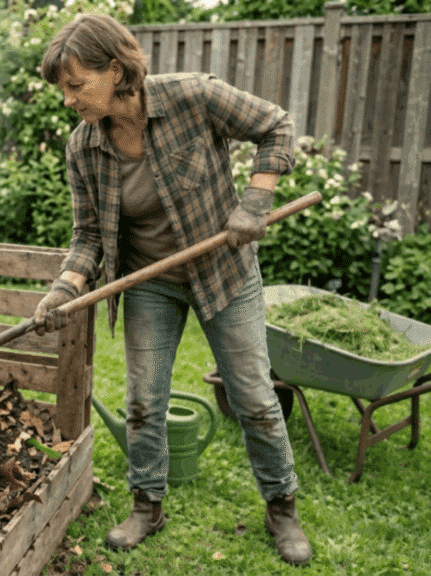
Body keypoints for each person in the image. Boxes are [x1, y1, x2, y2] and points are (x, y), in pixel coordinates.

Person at [32, 13, 312, 565]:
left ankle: (282, 508)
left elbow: (276, 126)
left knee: (253, 396)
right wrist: (64, 288)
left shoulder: (193, 97)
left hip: (222, 271)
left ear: (115, 71)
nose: (68, 100)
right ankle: (147, 504)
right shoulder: (83, 148)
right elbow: (88, 235)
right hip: (149, 282)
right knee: (142, 400)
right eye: (61, 89)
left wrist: (254, 203)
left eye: (75, 85)